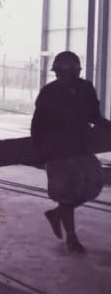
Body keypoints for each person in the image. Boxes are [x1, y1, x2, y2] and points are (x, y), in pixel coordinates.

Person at [31, 51, 109, 253]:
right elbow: (37, 125)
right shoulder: (49, 92)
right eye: (63, 73)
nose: (67, 76)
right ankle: (72, 238)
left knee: (94, 182)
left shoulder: (86, 89)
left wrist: (107, 126)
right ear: (57, 73)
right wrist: (40, 153)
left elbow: (94, 116)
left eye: (71, 72)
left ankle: (57, 213)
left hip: (81, 146)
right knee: (66, 193)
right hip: (58, 151)